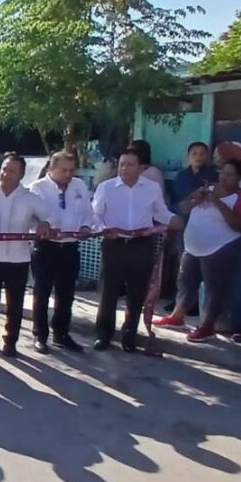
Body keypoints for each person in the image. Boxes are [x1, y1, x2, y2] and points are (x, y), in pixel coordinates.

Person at [91, 149, 184, 352]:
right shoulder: (106, 188)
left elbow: (160, 212)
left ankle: (129, 336)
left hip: (141, 245)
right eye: (122, 164)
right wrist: (103, 229)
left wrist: (172, 219)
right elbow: (95, 214)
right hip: (114, 244)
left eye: (130, 164)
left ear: (141, 168)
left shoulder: (151, 188)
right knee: (109, 291)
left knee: (137, 292)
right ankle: (103, 334)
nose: (124, 168)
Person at [153, 159, 241, 342]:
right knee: (185, 282)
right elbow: (182, 208)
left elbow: (239, 225)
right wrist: (194, 200)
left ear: (239, 178)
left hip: (220, 248)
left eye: (229, 175)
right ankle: (177, 317)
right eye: (222, 173)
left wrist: (218, 202)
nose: (223, 177)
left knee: (213, 288)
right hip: (193, 246)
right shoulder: (207, 189)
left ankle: (207, 326)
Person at [0, 153, 54, 358]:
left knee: (15, 305)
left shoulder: (30, 198)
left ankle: (10, 341)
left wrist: (45, 224)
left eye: (12, 170)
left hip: (18, 259)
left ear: (21, 174)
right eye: (4, 169)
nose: (6, 173)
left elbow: (50, 216)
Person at [29, 152, 94, 354]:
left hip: (70, 247)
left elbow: (88, 212)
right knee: (42, 293)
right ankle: (40, 335)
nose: (68, 174)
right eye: (63, 170)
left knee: (66, 294)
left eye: (71, 170)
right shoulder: (38, 187)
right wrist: (44, 227)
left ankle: (62, 334)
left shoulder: (79, 186)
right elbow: (32, 218)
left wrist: (86, 227)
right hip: (46, 247)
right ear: (51, 168)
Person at [164, 142, 218, 312]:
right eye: (194, 154)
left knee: (203, 265)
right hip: (185, 222)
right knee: (182, 263)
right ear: (188, 157)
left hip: (206, 224)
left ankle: (196, 303)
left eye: (202, 154)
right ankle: (180, 301)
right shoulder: (181, 176)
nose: (198, 157)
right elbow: (173, 201)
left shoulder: (214, 176)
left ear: (207, 156)